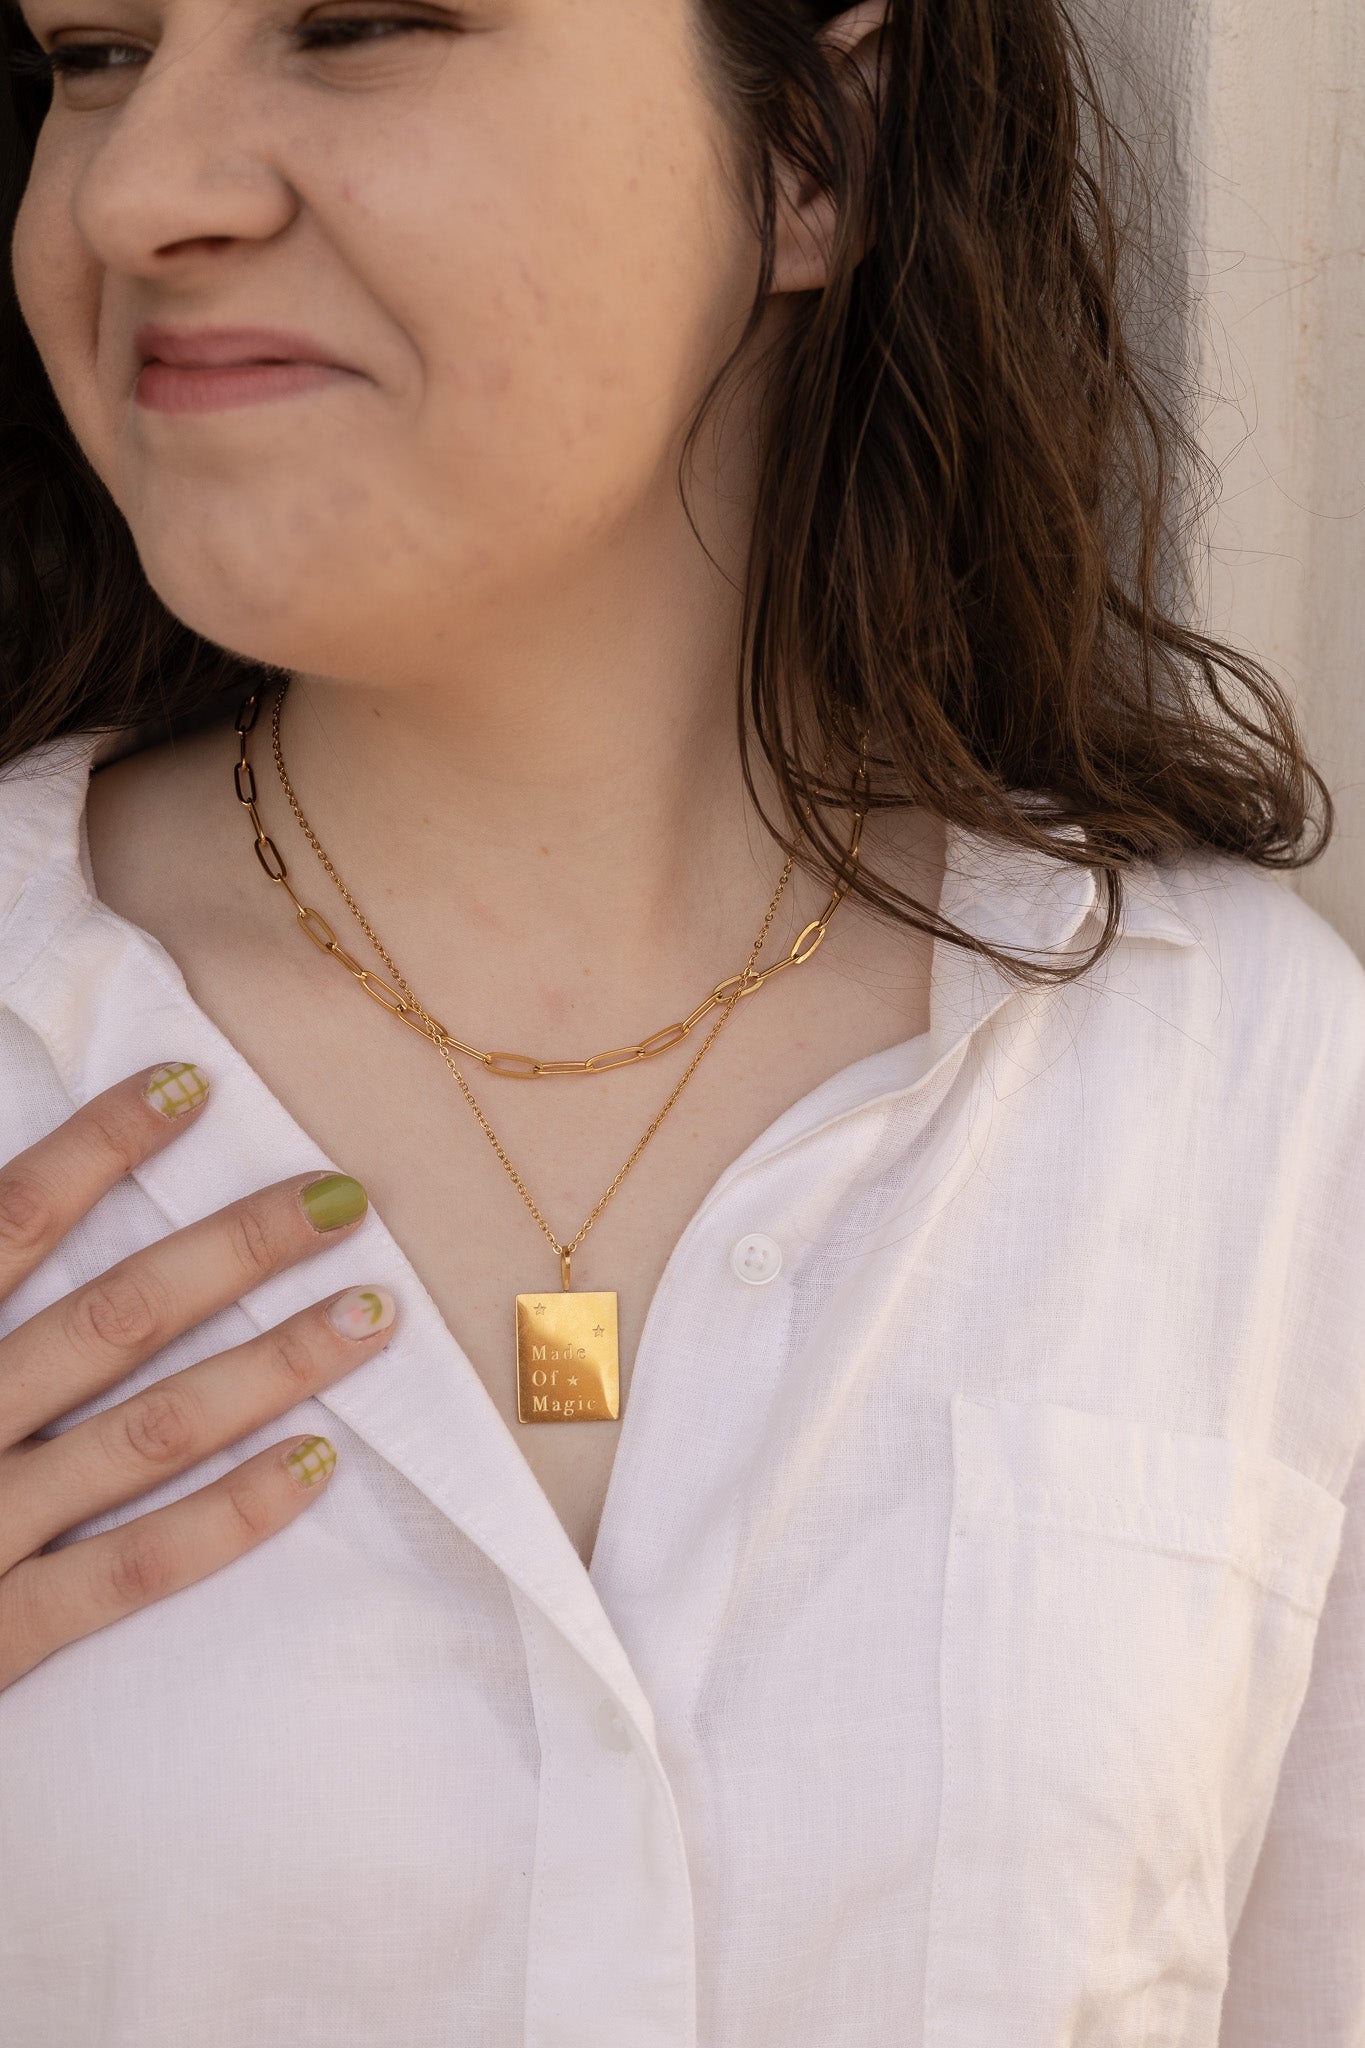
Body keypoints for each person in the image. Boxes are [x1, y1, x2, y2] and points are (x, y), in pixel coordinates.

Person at [0, 0, 1361, 2040]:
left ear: (813, 145)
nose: (135, 193)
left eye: (356, 23)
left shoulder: (1239, 1082)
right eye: (93, 54)